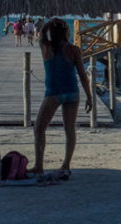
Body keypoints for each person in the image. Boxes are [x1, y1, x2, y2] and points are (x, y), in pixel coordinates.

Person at [33, 19, 92, 178]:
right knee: (69, 129)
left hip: (54, 92)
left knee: (39, 128)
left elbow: (41, 35)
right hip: (72, 91)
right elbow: (82, 76)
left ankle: (39, 165)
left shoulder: (47, 47)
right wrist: (89, 97)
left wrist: (49, 23)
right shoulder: (74, 50)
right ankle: (66, 164)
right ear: (67, 32)